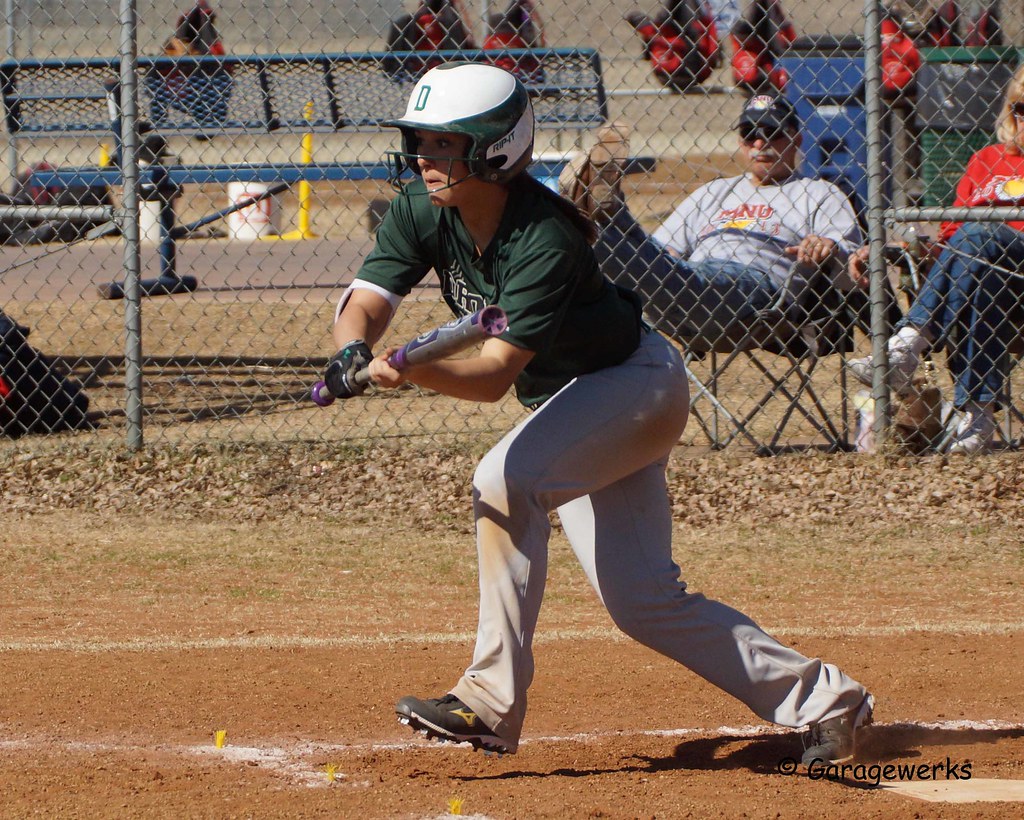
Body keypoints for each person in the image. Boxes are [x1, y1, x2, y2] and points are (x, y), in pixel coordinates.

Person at [323, 62, 873, 766]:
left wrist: (412, 369)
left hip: (631, 387)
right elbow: (368, 297)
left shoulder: (544, 237)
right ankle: (833, 703)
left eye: (442, 145)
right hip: (576, 404)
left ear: (493, 148)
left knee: (504, 480)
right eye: (420, 143)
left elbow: (493, 376)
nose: (423, 159)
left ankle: (489, 699)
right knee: (643, 602)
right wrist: (353, 349)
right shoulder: (421, 208)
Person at [561, 94, 862, 349]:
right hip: (682, 285)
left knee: (679, 273)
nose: (760, 142)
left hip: (757, 297)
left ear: (796, 138)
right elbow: (664, 250)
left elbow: (850, 263)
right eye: (750, 133)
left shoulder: (817, 192)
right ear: (741, 142)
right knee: (642, 255)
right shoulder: (716, 190)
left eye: (772, 132)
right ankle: (601, 214)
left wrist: (826, 247)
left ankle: (592, 218)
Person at [846, 63, 1024, 454]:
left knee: (979, 231)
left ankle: (910, 341)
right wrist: (919, 249)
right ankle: (977, 418)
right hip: (982, 276)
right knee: (978, 274)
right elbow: (947, 237)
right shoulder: (985, 160)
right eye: (1020, 107)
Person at [145, 0, 232, 132]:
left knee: (205, 63)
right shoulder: (177, 45)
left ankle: (202, 19)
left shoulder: (211, 49)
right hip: (187, 91)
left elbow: (220, 67)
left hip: (202, 91)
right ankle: (201, 19)